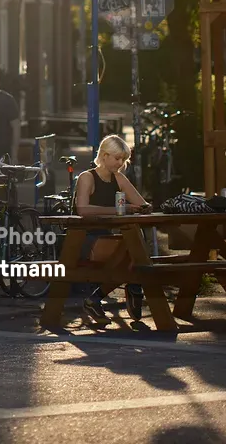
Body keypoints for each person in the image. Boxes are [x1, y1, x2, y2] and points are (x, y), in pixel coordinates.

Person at [74, 134, 150, 322]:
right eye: (117, 158)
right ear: (105, 155)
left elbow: (141, 203)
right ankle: (133, 286)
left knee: (135, 246)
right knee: (135, 254)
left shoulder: (119, 179)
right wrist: (119, 209)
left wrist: (145, 207)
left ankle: (96, 299)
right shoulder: (87, 177)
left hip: (108, 238)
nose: (120, 163)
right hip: (86, 238)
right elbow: (82, 209)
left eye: (123, 159)